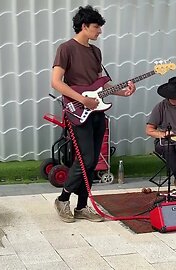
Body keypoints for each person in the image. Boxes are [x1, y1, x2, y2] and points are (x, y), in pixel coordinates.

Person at [51, 5, 136, 222]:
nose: (100, 31)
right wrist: (82, 100)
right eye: (96, 27)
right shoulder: (66, 48)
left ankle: (81, 206)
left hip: (97, 111)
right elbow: (56, 82)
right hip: (78, 110)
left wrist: (124, 92)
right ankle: (62, 199)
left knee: (93, 161)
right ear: (84, 26)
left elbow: (102, 83)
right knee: (85, 159)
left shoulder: (95, 52)